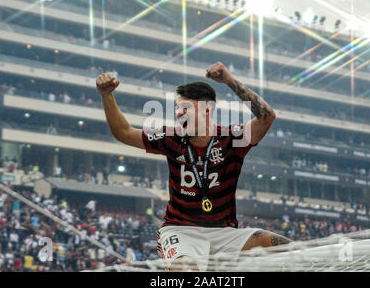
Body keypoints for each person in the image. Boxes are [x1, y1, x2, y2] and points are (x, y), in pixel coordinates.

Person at [96, 62, 291, 271]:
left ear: (208, 109)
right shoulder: (170, 137)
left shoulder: (233, 137)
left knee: (287, 249)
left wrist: (230, 81)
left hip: (224, 233)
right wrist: (107, 96)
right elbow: (124, 132)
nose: (179, 113)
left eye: (185, 107)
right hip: (181, 230)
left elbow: (267, 116)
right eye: (177, 108)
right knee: (187, 271)